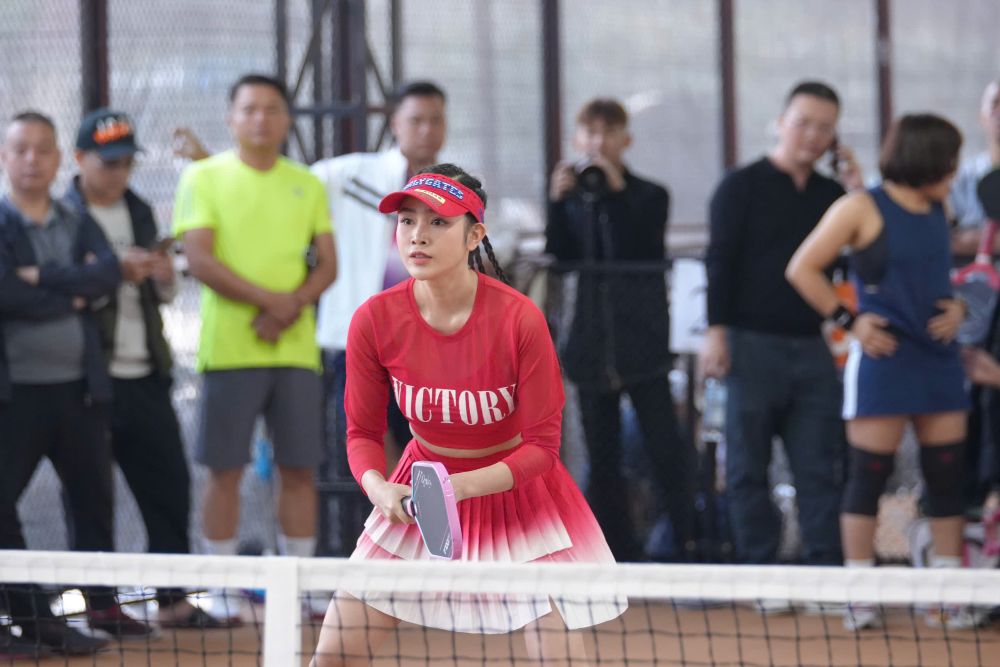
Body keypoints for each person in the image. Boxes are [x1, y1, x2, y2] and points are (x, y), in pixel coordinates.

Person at [311, 164, 625, 667]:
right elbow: (362, 432)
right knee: (333, 656)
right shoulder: (373, 319)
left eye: (438, 223)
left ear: (475, 234)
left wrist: (456, 490)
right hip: (418, 492)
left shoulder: (520, 319)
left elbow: (543, 449)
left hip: (519, 496)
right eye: (407, 221)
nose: (418, 236)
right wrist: (377, 486)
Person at [787, 113, 978, 630]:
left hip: (937, 360)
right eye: (949, 160)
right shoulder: (859, 207)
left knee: (945, 477)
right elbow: (802, 268)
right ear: (927, 159)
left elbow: (936, 275)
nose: (956, 170)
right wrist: (850, 322)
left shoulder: (940, 206)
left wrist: (959, 308)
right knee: (867, 478)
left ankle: (947, 593)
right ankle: (860, 593)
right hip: (884, 360)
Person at [173, 74, 337, 620]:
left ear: (287, 119)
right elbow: (199, 260)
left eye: (272, 109)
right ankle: (220, 589)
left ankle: (304, 587)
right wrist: (275, 303)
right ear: (231, 118)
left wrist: (289, 308)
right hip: (230, 352)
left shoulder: (307, 183)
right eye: (249, 109)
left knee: (300, 470)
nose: (261, 118)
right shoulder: (202, 176)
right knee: (225, 471)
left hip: (294, 354)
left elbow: (328, 263)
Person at [63, 108, 221, 629]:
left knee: (169, 485)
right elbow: (58, 291)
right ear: (81, 159)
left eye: (127, 162)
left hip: (147, 375)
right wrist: (110, 273)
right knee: (91, 497)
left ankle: (173, 600)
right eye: (109, 163)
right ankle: (102, 606)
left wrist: (159, 275)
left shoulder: (142, 212)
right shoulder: (60, 216)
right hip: (86, 382)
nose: (119, 173)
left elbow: (165, 293)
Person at [701, 81, 863, 578]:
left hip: (812, 349)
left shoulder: (834, 195)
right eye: (804, 123)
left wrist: (858, 189)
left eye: (825, 128)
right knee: (748, 468)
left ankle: (824, 572)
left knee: (818, 467)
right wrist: (716, 332)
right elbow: (720, 261)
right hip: (749, 345)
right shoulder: (740, 185)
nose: (813, 135)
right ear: (780, 123)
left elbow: (858, 264)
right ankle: (759, 572)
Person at [545, 97, 696, 562]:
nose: (598, 143)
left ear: (625, 141)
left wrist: (617, 193)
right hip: (590, 345)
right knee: (602, 454)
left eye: (608, 134)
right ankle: (614, 551)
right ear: (576, 140)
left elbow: (644, 246)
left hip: (643, 343)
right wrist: (557, 203)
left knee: (665, 446)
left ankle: (690, 543)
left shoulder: (650, 194)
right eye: (590, 134)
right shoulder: (572, 197)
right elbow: (562, 256)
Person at [310, 81, 447, 553]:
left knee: (426, 447)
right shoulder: (352, 173)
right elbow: (284, 183)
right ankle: (381, 547)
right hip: (358, 343)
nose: (427, 129)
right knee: (368, 447)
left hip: (430, 346)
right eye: (416, 119)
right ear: (395, 125)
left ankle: (427, 549)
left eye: (436, 119)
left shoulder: (457, 187)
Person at [0, 111, 117, 654]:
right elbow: (6, 294)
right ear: (5, 158)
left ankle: (93, 613)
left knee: (93, 501)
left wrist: (42, 278)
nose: (31, 159)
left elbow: (107, 273)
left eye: (42, 149)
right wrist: (71, 292)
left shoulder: (75, 220)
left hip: (79, 391)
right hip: (15, 396)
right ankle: (29, 619)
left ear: (57, 159)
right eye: (20, 149)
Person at [949, 79, 1000, 259]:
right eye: (995, 103)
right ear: (982, 118)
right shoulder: (958, 179)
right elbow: (942, 240)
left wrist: (973, 239)